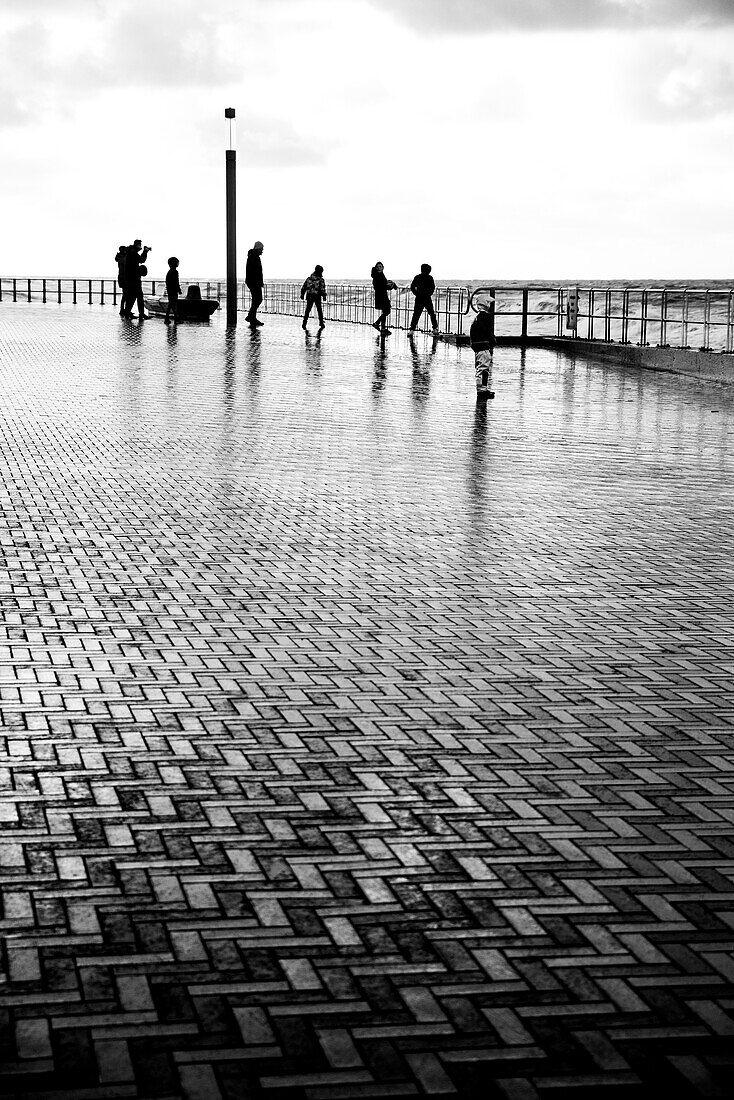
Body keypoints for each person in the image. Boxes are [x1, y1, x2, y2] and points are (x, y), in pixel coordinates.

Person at [469, 293, 496, 398]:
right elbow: (487, 331)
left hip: (477, 347)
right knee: (484, 368)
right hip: (484, 346)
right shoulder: (486, 317)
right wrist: (492, 340)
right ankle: (482, 390)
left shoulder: (477, 318)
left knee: (480, 368)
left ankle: (481, 389)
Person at [408, 263, 439, 335]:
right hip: (427, 298)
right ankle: (435, 329)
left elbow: (412, 287)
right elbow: (432, 288)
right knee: (432, 314)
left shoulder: (417, 277)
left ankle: (412, 330)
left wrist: (416, 293)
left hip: (419, 298)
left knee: (416, 315)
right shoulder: (430, 278)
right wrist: (428, 294)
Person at [124, 239, 151, 319]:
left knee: (131, 297)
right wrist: (145, 251)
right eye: (140, 245)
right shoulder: (133, 253)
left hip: (130, 278)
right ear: (137, 245)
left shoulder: (130, 252)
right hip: (134, 279)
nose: (141, 247)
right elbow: (142, 260)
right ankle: (141, 314)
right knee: (138, 296)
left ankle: (127, 313)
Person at [371, 261, 396, 335]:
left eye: (380, 266)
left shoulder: (379, 275)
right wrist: (392, 285)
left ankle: (382, 327)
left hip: (381, 295)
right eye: (377, 267)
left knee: (385, 311)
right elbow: (383, 285)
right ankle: (378, 324)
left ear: (383, 268)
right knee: (387, 311)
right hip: (381, 295)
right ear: (376, 268)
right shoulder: (377, 276)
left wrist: (391, 284)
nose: (379, 268)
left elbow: (384, 283)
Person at [300, 265, 327, 329]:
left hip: (309, 295)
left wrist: (302, 294)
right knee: (319, 310)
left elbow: (304, 287)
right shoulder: (320, 280)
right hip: (317, 296)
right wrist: (324, 296)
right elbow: (322, 289)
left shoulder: (309, 279)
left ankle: (304, 323)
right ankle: (321, 323)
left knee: (307, 310)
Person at [246, 240, 264, 326]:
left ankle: (252, 317)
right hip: (254, 282)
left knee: (256, 300)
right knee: (258, 299)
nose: (262, 251)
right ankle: (251, 316)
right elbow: (255, 272)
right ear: (258, 249)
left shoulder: (252, 256)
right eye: (261, 249)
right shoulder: (254, 257)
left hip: (252, 282)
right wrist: (259, 282)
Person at [165, 257, 182, 323]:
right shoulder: (175, 272)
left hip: (170, 290)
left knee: (171, 304)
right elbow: (176, 282)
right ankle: (176, 319)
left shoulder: (169, 272)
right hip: (173, 290)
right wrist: (179, 289)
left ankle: (168, 318)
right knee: (174, 304)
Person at [115, 245, 128, 316]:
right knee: (125, 294)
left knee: (125, 294)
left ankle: (124, 309)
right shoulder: (122, 257)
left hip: (122, 277)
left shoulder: (119, 257)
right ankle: (123, 309)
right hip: (124, 278)